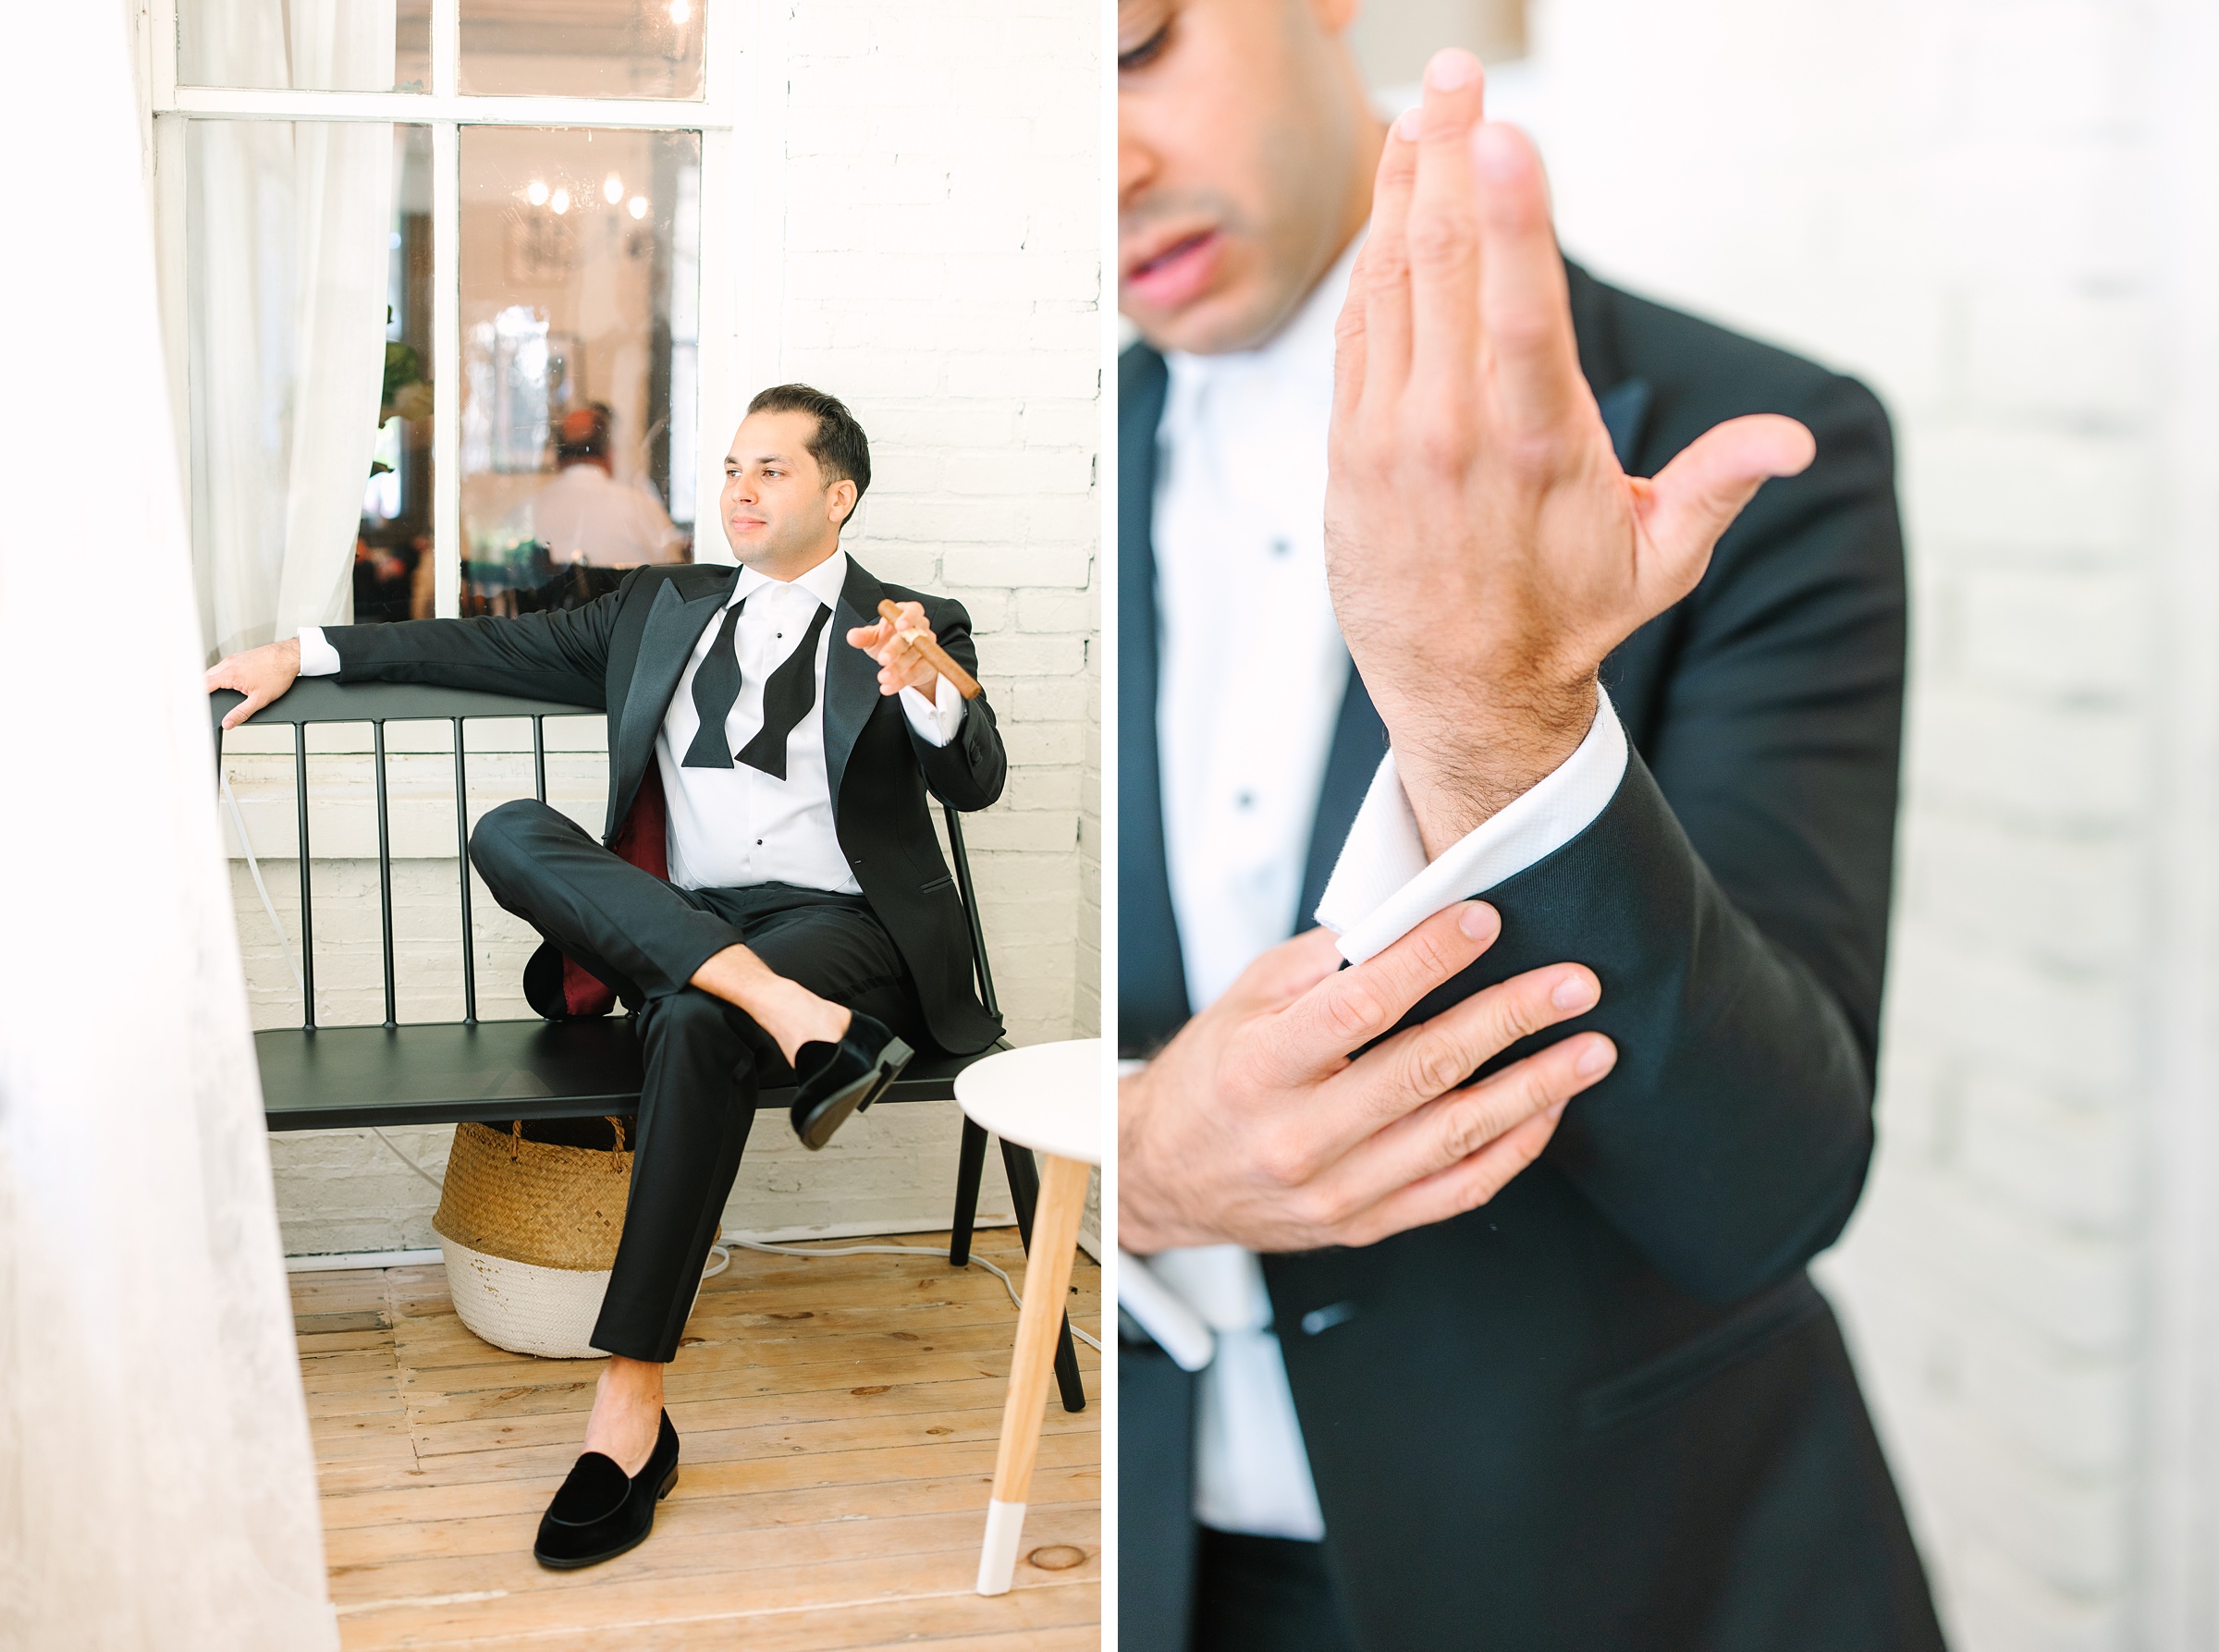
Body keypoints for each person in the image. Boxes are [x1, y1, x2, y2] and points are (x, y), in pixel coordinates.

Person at [1116, 3, 1944, 1648]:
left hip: (1640, 1576)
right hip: (1152, 1562)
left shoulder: (1756, 445)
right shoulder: (1023, 484)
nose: (1105, 166)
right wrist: (1135, 1166)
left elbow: (1767, 1187)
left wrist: (1497, 718)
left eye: (1132, 46)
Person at [206, 384, 1006, 1571]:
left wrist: (930, 687)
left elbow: (978, 782)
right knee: (515, 828)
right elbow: (476, 643)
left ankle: (628, 1409)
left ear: (838, 495)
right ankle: (792, 1020)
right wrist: (300, 648)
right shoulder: (659, 606)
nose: (739, 486)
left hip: (846, 929)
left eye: (773, 469)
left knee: (689, 1020)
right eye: (732, 464)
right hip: (692, 921)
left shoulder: (912, 619)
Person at [507, 402, 691, 569]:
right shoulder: (643, 509)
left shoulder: (525, 513)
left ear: (557, 457)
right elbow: (676, 572)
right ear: (610, 453)